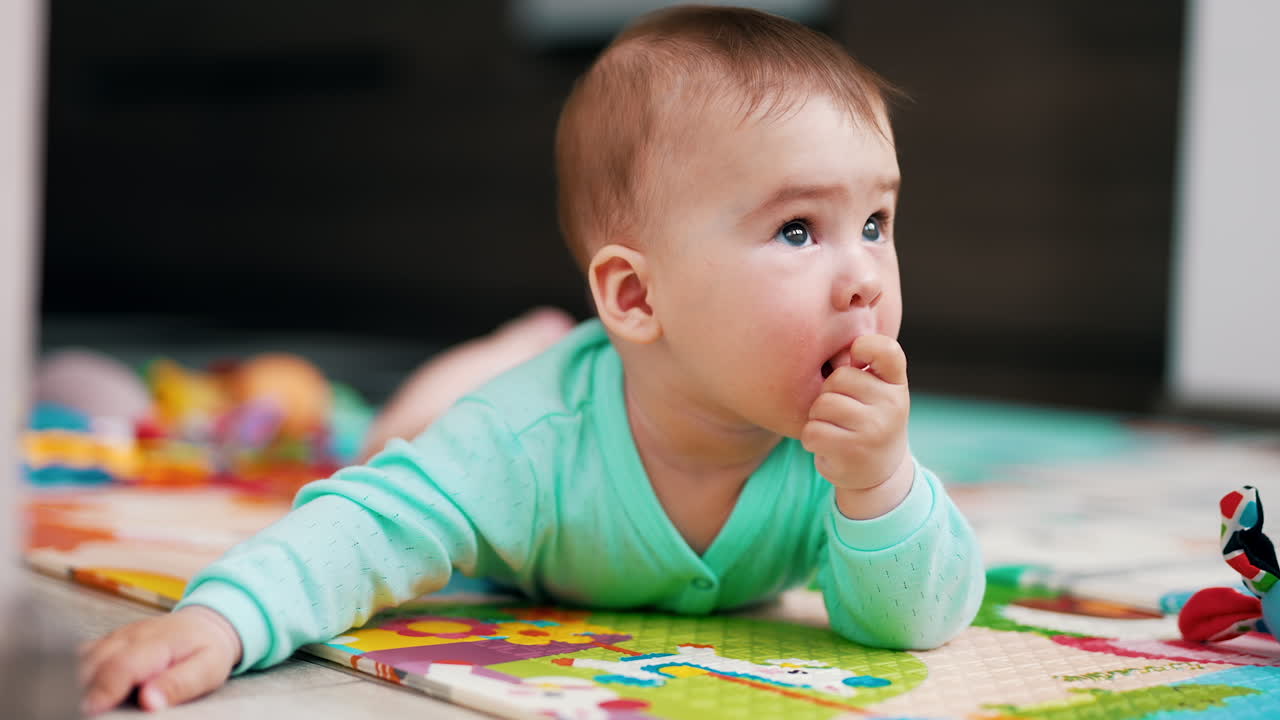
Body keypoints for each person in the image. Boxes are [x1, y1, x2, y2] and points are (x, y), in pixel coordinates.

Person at [79, 6, 985, 713]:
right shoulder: (524, 441)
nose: (864, 274)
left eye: (876, 223)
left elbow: (913, 619)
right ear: (637, 296)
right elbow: (370, 524)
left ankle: (531, 337)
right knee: (394, 435)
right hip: (498, 409)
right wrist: (222, 618)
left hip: (587, 372)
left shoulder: (835, 448)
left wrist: (880, 488)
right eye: (798, 230)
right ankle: (514, 348)